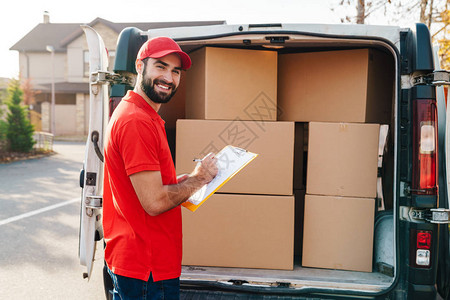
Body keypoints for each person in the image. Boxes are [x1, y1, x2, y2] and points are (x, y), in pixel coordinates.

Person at [102, 36, 218, 299]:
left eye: (176, 71)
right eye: (161, 66)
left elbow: (142, 188)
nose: (169, 77)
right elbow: (154, 202)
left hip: (139, 264)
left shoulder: (141, 115)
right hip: (146, 267)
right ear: (140, 66)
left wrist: (181, 181)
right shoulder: (136, 121)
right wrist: (198, 180)